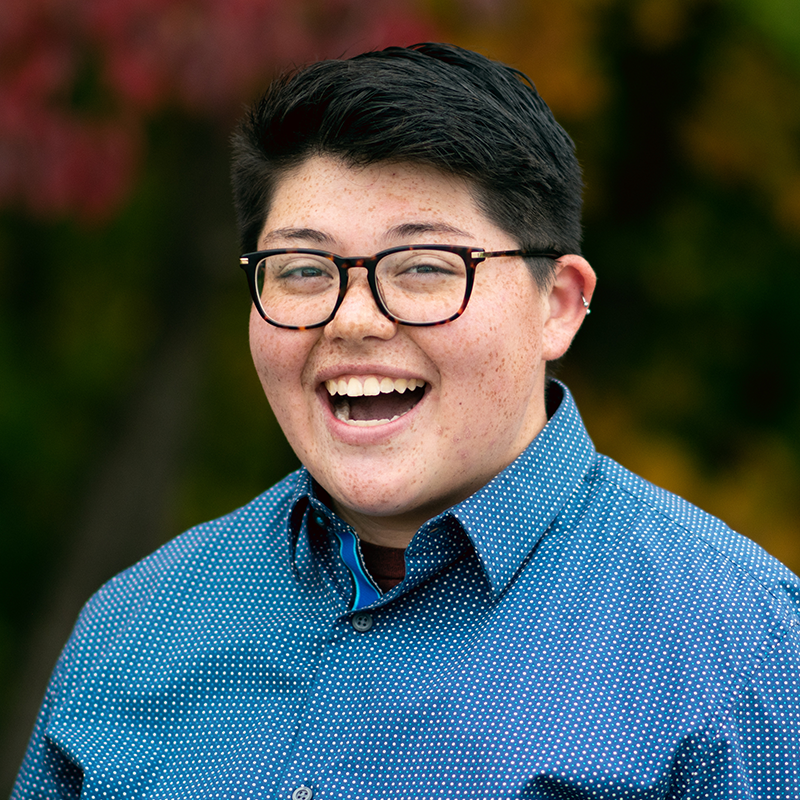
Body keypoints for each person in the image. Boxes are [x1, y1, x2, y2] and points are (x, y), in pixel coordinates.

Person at [11, 43, 800, 800]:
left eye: (423, 267)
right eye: (303, 269)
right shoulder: (137, 628)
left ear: (558, 305)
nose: (352, 319)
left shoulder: (741, 651)